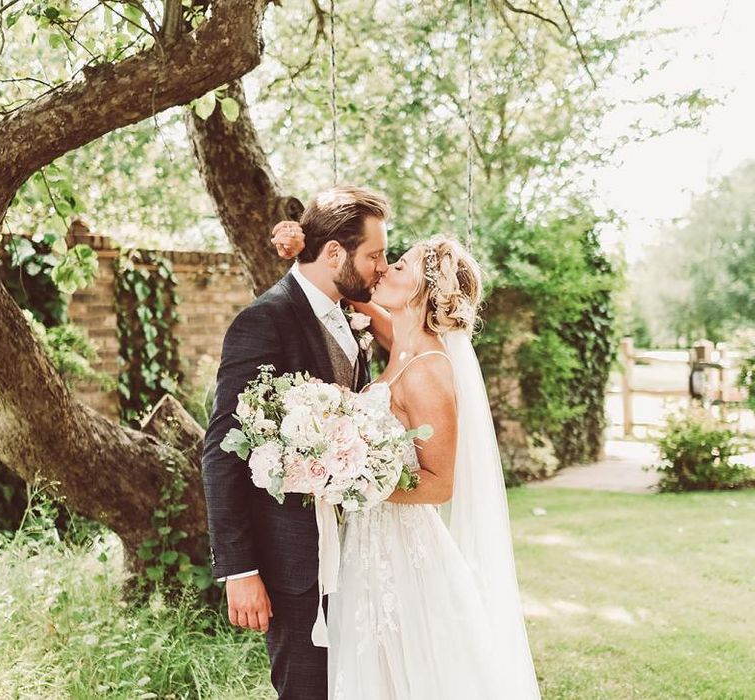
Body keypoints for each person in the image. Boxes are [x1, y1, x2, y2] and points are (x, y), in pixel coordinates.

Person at [272, 223, 541, 698]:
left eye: (399, 265)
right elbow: (342, 291)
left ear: (422, 289)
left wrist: (353, 478)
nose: (385, 267)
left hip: (403, 551)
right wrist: (300, 249)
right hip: (370, 542)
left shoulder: (428, 371)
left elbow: (439, 485)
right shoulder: (401, 344)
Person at [201, 185, 390, 700]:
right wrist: (239, 568)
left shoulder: (352, 318)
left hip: (355, 552)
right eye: (374, 255)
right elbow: (222, 449)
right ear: (334, 254)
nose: (382, 267)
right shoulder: (264, 320)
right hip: (295, 566)